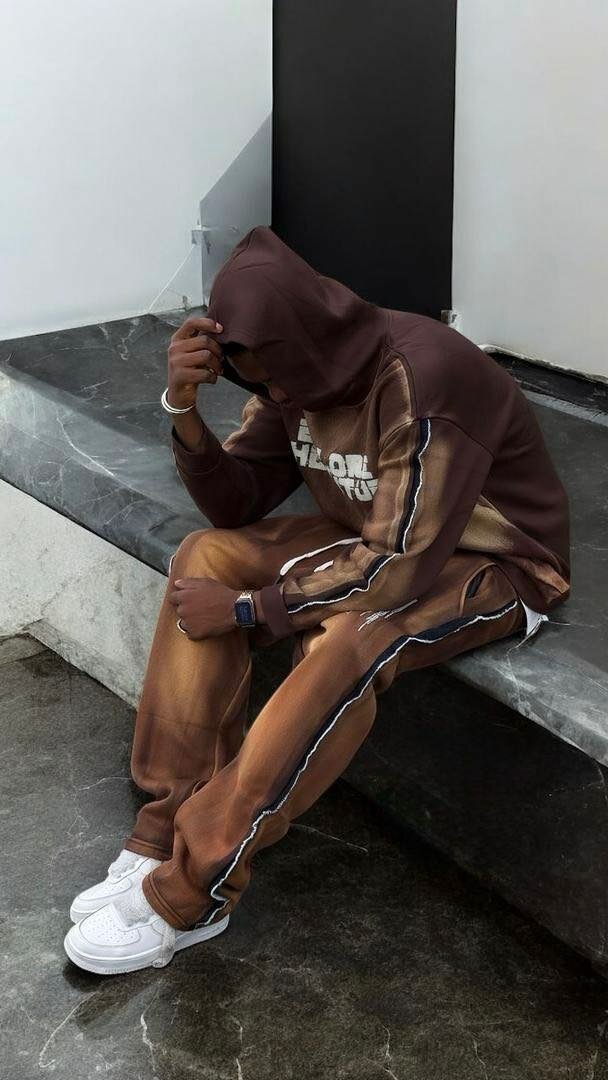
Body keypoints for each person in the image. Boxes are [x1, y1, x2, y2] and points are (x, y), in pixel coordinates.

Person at [63, 225, 571, 975]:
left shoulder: (423, 378)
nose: (276, 397)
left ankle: (193, 891)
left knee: (351, 637)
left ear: (302, 341)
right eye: (260, 383)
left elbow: (396, 571)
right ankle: (162, 831)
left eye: (276, 378)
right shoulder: (290, 376)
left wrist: (251, 609)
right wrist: (182, 408)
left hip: (494, 560)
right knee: (208, 556)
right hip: (372, 534)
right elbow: (234, 505)